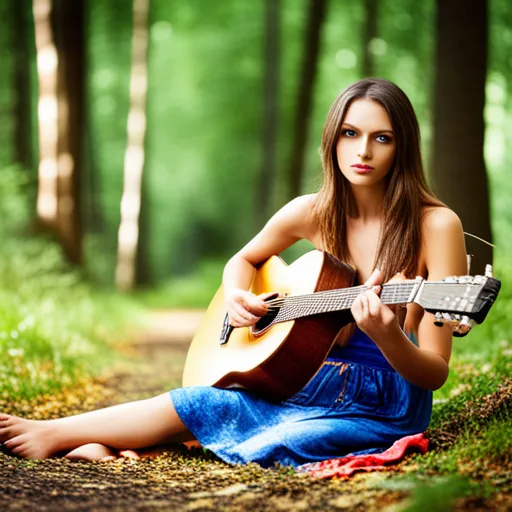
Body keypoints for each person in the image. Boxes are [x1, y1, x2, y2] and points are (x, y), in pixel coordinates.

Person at [0, 78, 467, 467]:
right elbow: (241, 260)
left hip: (382, 406)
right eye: (350, 133)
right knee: (199, 402)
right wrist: (237, 294)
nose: (362, 150)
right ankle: (54, 432)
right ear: (332, 138)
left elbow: (434, 373)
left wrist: (387, 336)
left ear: (403, 147)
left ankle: (113, 442)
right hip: (304, 381)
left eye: (381, 137)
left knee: (283, 439)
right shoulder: (311, 212)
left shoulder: (436, 225)